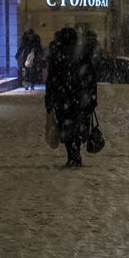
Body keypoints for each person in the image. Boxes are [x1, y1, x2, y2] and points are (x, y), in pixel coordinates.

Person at [45, 27, 96, 168]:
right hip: (80, 98)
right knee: (78, 127)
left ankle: (71, 155)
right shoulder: (81, 54)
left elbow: (51, 80)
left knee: (66, 127)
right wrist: (92, 98)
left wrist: (49, 100)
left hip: (63, 99)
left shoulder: (57, 54)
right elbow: (90, 77)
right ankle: (76, 153)